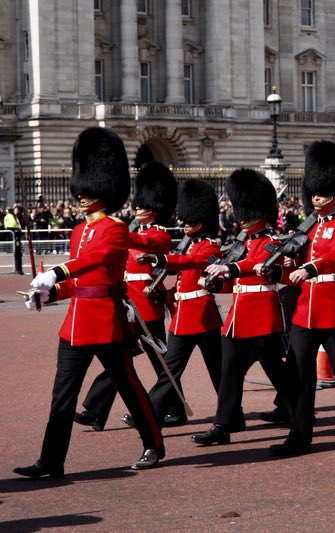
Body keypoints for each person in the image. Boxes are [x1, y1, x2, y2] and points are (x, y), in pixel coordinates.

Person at [15, 127, 164, 478]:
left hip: (106, 323)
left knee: (128, 386)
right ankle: (51, 460)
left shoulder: (114, 228)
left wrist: (56, 271)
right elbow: (81, 284)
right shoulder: (79, 230)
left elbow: (94, 262)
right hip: (75, 325)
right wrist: (49, 293)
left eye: (88, 188)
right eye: (79, 188)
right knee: (62, 396)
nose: (81, 194)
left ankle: (153, 444)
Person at [267, 141, 335, 456]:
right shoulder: (308, 229)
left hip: (333, 304)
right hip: (306, 306)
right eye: (314, 191)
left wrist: (308, 267)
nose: (315, 197)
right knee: (298, 369)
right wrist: (285, 266)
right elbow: (297, 266)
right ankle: (299, 435)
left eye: (321, 192)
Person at [191, 169, 298, 446]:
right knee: (229, 371)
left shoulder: (270, 243)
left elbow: (256, 266)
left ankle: (297, 411)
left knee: (275, 369)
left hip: (262, 315)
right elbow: (234, 282)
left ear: (261, 213)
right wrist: (216, 284)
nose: (242, 218)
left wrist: (230, 267)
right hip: (238, 318)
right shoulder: (240, 244)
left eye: (247, 212)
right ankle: (223, 425)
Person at [74, 161, 180, 431]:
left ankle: (174, 409)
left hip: (146, 304)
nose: (137, 209)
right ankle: (96, 410)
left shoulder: (160, 236)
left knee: (161, 362)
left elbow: (148, 246)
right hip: (128, 302)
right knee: (117, 357)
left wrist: (121, 233)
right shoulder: (131, 231)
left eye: (143, 206)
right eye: (137, 205)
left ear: (155, 209)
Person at [126, 179, 223, 427]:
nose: (184, 225)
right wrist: (163, 296)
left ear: (201, 223)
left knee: (219, 372)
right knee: (168, 371)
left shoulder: (210, 247)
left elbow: (189, 266)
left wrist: (160, 259)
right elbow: (182, 285)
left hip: (203, 318)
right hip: (182, 319)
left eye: (190, 222)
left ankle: (230, 415)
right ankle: (150, 414)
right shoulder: (189, 245)